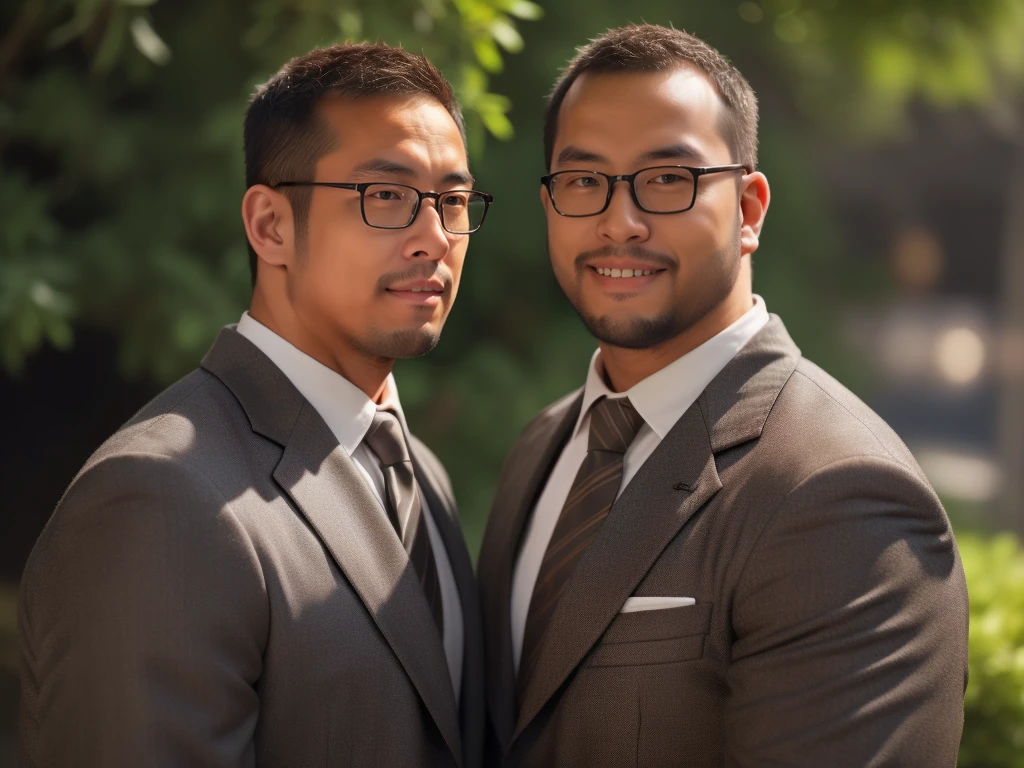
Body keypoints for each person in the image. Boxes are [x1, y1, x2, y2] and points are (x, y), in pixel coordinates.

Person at [478, 24, 968, 767]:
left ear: (749, 210)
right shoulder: (543, 448)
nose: (620, 221)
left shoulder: (841, 496)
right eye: (584, 181)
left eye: (667, 179)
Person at [19, 42, 490, 768]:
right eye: (387, 195)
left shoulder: (419, 472)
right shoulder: (160, 495)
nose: (434, 237)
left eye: (453, 202)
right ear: (271, 225)